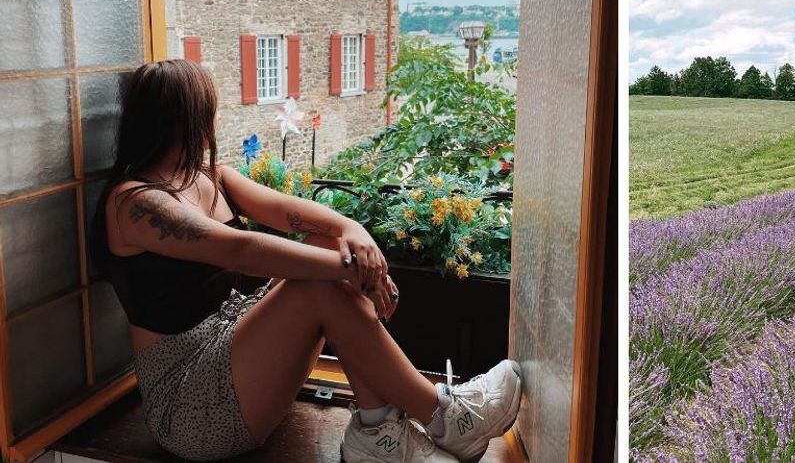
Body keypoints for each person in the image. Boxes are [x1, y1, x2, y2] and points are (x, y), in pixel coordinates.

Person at [93, 60, 520, 462]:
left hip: (235, 359)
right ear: (188, 119)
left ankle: (377, 431)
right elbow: (238, 250)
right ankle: (447, 416)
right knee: (317, 280)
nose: (216, 121)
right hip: (190, 403)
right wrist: (353, 270)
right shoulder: (135, 203)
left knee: (325, 244)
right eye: (212, 110)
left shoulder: (207, 176)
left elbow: (285, 210)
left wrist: (353, 231)